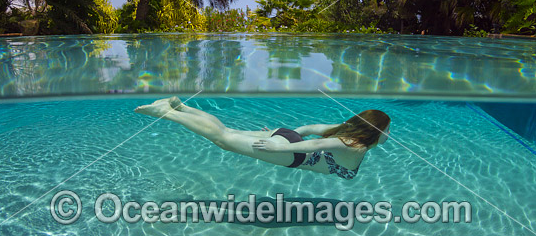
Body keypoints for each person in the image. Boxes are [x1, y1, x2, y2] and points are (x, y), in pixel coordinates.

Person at [135, 97, 391, 180]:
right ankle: (166, 113)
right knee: (223, 138)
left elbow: (313, 128)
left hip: (289, 139)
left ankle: (183, 107)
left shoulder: (347, 131)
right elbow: (317, 144)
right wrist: (277, 148)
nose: (389, 135)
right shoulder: (355, 147)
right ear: (375, 131)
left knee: (227, 133)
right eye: (387, 130)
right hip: (290, 151)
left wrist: (291, 134)